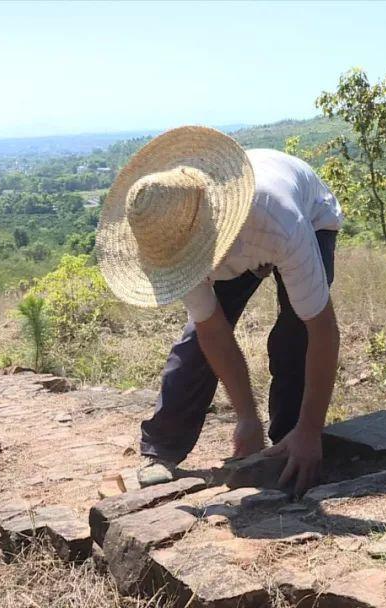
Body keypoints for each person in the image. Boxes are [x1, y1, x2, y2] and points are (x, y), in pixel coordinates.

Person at [95, 125, 342, 495]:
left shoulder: (279, 221)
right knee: (196, 343)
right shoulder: (172, 235)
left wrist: (309, 430)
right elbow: (213, 331)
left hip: (309, 218)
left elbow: (321, 329)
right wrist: (246, 416)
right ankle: (163, 449)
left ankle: (291, 441)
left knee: (295, 333)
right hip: (242, 238)